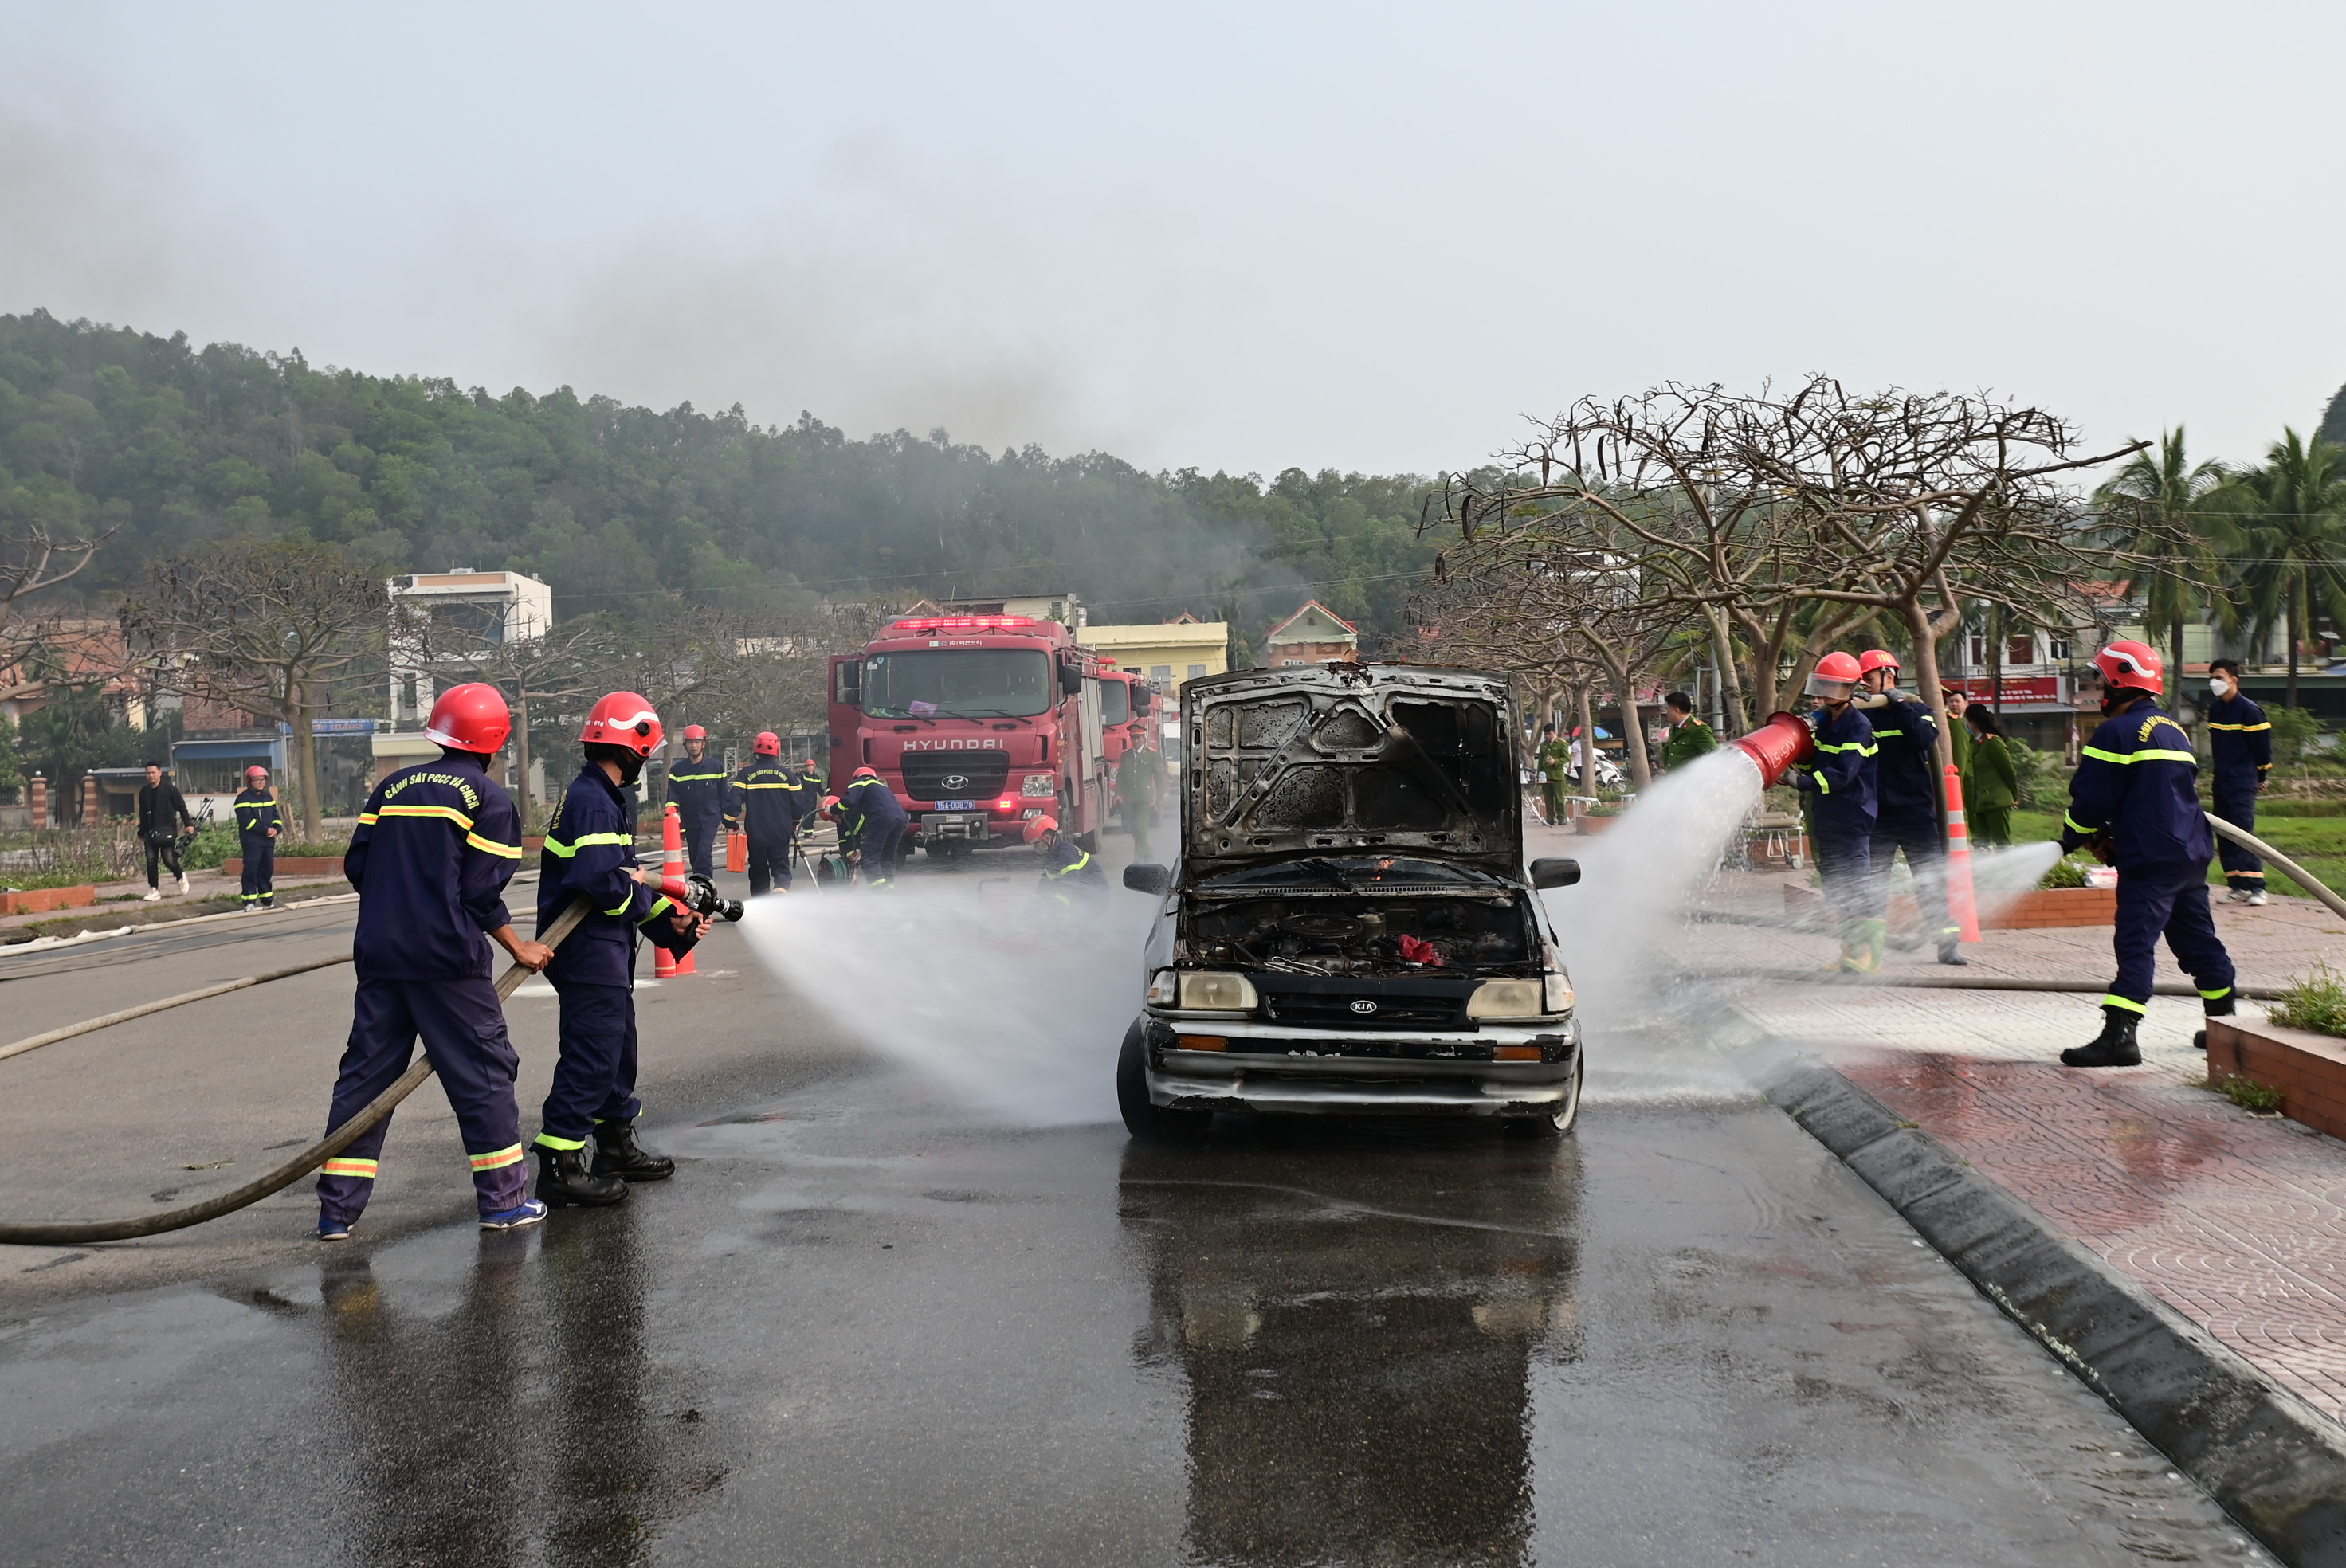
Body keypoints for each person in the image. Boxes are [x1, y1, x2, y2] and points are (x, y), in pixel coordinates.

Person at [315, 683, 551, 1239]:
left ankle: (336, 1212)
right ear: (495, 740)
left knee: (365, 1080)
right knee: (484, 1075)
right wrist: (518, 946)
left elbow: (358, 867)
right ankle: (504, 1202)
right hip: (446, 960)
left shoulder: (392, 787)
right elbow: (479, 892)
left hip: (381, 954)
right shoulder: (488, 800)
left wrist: (399, 905)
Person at [532, 692, 709, 1206]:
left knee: (616, 1049)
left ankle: (614, 1147)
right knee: (592, 1054)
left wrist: (672, 927)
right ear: (634, 748)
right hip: (585, 948)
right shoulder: (593, 800)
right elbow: (600, 882)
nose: (646, 763)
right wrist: (656, 910)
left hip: (603, 944)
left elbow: (621, 881)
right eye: (647, 754)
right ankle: (561, 1164)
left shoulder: (603, 796)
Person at [2057, 641, 2237, 1068]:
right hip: (2189, 853)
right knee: (2198, 941)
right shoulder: (2173, 728)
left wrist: (2071, 838)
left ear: (2121, 681)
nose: (2099, 688)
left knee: (2136, 942)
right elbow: (2156, 795)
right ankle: (2226, 1025)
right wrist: (2112, 835)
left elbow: (2091, 800)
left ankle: (2120, 1037)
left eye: (2101, 681)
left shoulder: (2115, 733)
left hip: (2151, 861)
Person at [1853, 651, 1964, 966]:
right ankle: (1868, 948)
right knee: (1873, 884)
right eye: (1861, 681)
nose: (1865, 685)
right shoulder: (1863, 716)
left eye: (1869, 679)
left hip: (1916, 812)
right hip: (1878, 815)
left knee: (1931, 881)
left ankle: (1947, 945)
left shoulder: (1917, 709)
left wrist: (1899, 703)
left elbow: (1923, 738)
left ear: (1889, 676)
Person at [1790, 652, 1884, 973]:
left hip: (1853, 817)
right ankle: (1849, 953)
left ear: (1849, 688)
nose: (1825, 692)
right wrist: (1799, 760)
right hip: (1828, 816)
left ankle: (1870, 957)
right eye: (1823, 685)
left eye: (1833, 686)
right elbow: (1817, 764)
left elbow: (1842, 774)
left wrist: (1800, 782)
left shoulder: (1858, 726)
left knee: (1857, 886)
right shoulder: (1826, 723)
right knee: (1836, 889)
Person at [2204, 658, 2273, 905]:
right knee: (2224, 833)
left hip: (2243, 780)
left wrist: (2262, 774)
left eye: (2219, 678)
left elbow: (2262, 747)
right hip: (2221, 779)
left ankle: (2257, 887)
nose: (2214, 683)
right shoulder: (2215, 710)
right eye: (2212, 678)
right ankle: (2237, 885)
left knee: (2243, 832)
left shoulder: (2249, 710)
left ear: (2234, 680)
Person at [724, 732, 801, 896]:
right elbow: (798, 804)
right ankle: (780, 891)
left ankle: (761, 900)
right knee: (780, 869)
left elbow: (733, 802)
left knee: (758, 871)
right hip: (781, 831)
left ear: (756, 750)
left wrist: (730, 822)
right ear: (777, 750)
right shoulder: (787, 775)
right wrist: (794, 821)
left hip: (756, 833)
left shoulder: (746, 774)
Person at [666, 725, 728, 878]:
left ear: (703, 743)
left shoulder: (716, 767)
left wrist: (726, 818)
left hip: (710, 818)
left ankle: (706, 885)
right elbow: (672, 799)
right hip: (690, 820)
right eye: (690, 742)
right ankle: (699, 884)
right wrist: (674, 821)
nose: (693, 746)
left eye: (697, 742)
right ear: (685, 744)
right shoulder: (677, 770)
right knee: (694, 856)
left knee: (704, 853)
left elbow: (724, 795)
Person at [1958, 700, 2018, 849]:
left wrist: (2014, 796)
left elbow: (2008, 771)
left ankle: (2008, 864)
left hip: (1997, 801)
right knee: (1980, 843)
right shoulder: (1978, 743)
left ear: (1973, 722)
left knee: (2002, 842)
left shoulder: (1993, 742)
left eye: (1967, 720)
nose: (1966, 724)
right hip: (1982, 802)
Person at [838, 764, 908, 887]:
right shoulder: (881, 787)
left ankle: (879, 891)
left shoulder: (861, 782)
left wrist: (833, 810)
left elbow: (849, 802)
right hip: (902, 819)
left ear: (856, 777)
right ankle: (889, 888)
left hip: (883, 818)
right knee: (888, 856)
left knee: (869, 857)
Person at [135, 761, 194, 901]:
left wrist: (188, 824)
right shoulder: (144, 792)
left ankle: (181, 876)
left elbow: (182, 807)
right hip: (150, 832)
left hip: (166, 830)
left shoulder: (170, 790)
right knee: (151, 861)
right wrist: (141, 832)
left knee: (169, 859)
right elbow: (143, 813)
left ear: (160, 773)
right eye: (148, 773)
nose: (151, 775)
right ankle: (154, 890)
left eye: (153, 772)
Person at [233, 764, 283, 911]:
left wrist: (276, 829)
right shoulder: (243, 799)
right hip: (252, 842)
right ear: (250, 781)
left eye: (263, 779)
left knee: (267, 870)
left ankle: (267, 900)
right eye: (257, 780)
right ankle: (249, 901)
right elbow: (247, 822)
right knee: (251, 870)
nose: (261, 783)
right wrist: (265, 830)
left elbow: (275, 815)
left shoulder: (267, 796)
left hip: (268, 841)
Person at [1026, 815, 1105, 903]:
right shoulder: (1053, 856)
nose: (1036, 848)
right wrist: (1032, 906)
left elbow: (1068, 894)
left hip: (1095, 899)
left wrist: (1051, 908)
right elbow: (1043, 888)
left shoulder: (1066, 856)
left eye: (1037, 844)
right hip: (1084, 895)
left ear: (1047, 838)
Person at [1117, 734, 1163, 861]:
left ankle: (1137, 859)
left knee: (1141, 828)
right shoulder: (1126, 755)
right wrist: (1118, 794)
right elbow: (1121, 776)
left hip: (1145, 798)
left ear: (1144, 739)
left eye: (1138, 738)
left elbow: (1159, 776)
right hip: (1130, 798)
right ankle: (1147, 851)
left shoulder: (1152, 754)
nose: (1136, 741)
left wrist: (1160, 795)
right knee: (1133, 828)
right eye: (1133, 738)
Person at [1659, 692, 1717, 772]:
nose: (1667, 713)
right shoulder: (1675, 728)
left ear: (1676, 711)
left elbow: (1715, 755)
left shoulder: (1698, 729)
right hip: (1675, 777)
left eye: (1668, 710)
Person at [1535, 725, 1571, 823]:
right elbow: (1540, 761)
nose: (1547, 736)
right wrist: (1538, 775)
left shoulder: (1561, 743)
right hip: (1545, 776)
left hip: (1557, 775)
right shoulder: (1543, 745)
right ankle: (1550, 818)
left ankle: (1561, 818)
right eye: (1546, 734)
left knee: (1559, 798)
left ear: (1554, 733)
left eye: (1549, 734)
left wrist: (1555, 761)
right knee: (1548, 798)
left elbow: (1566, 757)